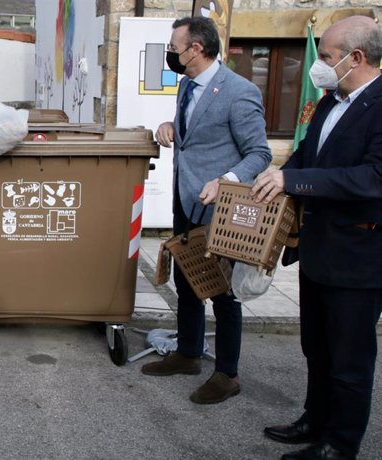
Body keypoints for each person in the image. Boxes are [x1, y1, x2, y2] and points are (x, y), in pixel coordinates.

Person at [253, 15, 382, 460]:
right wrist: (280, 175)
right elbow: (309, 154)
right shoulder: (331, 101)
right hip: (319, 249)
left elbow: (373, 178)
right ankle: (315, 420)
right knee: (317, 346)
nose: (319, 65)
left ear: (356, 58)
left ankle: (339, 445)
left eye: (326, 56)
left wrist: (297, 182)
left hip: (359, 256)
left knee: (350, 361)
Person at [141, 17, 272, 404]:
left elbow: (260, 152)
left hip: (220, 210)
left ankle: (227, 375)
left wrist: (227, 179)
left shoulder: (239, 91)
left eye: (174, 46)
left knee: (223, 293)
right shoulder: (186, 85)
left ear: (195, 48)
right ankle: (188, 353)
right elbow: (194, 134)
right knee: (186, 282)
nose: (171, 53)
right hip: (185, 203)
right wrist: (170, 126)